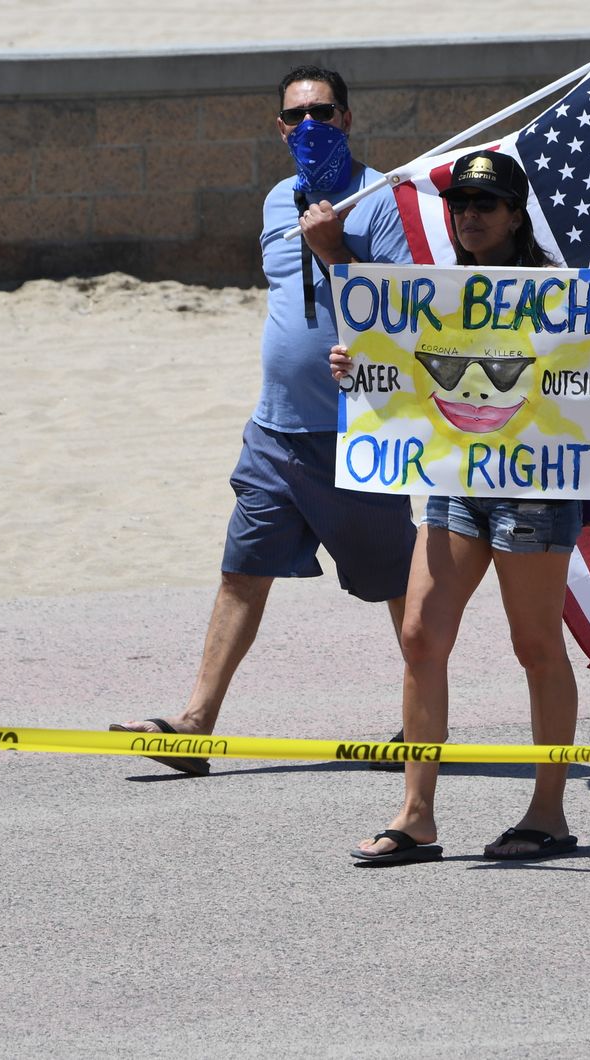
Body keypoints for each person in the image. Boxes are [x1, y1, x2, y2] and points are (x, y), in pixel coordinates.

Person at [109, 66, 417, 775]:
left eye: (323, 111)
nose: (309, 125)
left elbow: (403, 317)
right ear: (280, 128)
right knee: (241, 573)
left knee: (398, 585)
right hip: (276, 431)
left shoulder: (384, 202)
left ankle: (420, 724)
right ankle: (194, 725)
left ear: (347, 117)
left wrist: (336, 249)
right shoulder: (278, 199)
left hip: (357, 435)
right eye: (294, 116)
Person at [333, 150, 590, 863]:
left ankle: (548, 812)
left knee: (534, 646)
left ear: (516, 213)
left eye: (484, 205)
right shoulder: (439, 291)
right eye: (459, 205)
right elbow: (400, 374)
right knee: (421, 637)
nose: (468, 216)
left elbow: (579, 386)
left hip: (532, 487)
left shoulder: (556, 291)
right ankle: (416, 814)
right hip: (455, 480)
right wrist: (356, 368)